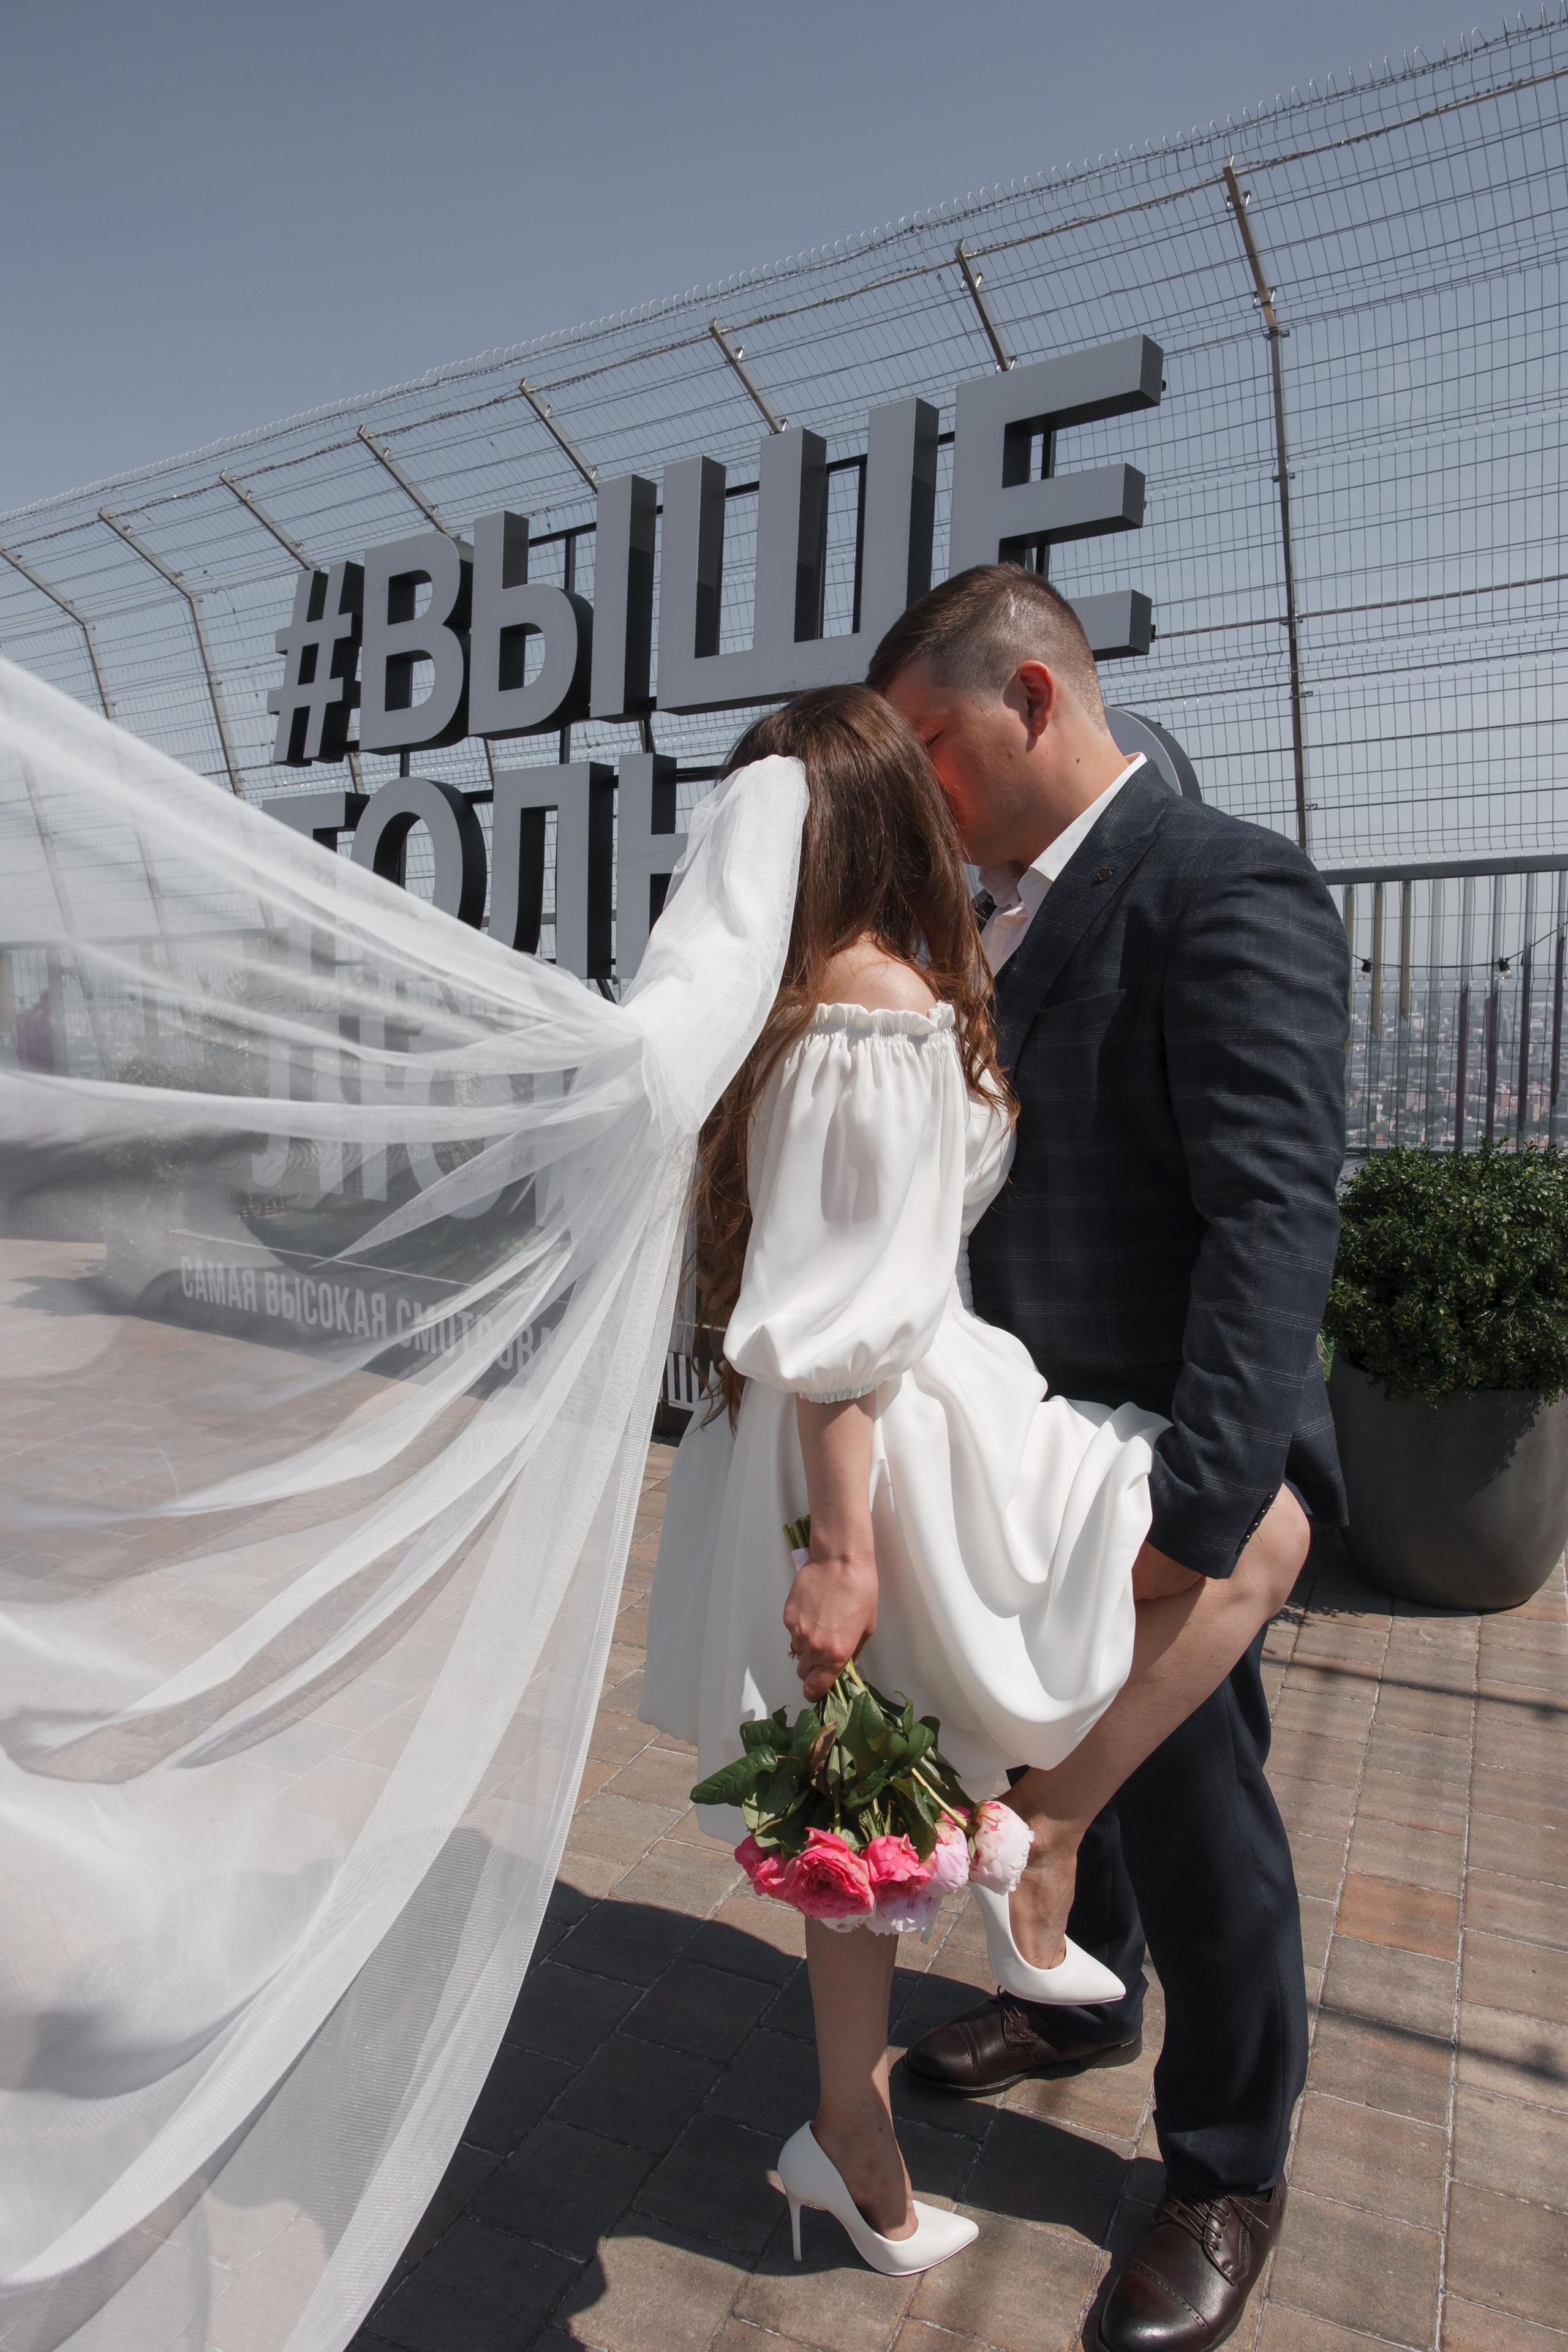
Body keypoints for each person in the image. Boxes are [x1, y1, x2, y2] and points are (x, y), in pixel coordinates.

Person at [640, 684, 1321, 2292]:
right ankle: (1046, 1834)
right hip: (885, 1432)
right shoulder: (878, 998)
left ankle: (854, 2139)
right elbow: (848, 1314)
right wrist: (849, 1546)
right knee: (1261, 1533)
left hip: (807, 1441)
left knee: (857, 1800)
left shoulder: (792, 1005)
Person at [869, 567, 1349, 2351]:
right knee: (1054, 1736)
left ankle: (1229, 2162)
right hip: (1035, 1434)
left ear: (1038, 701)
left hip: (1176, 1459)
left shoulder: (1223, 886)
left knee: (1196, 1789)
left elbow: (1269, 1224)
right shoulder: (987, 910)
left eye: (932, 746)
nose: (924, 792)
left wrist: (1205, 1523)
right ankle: (1085, 2004)